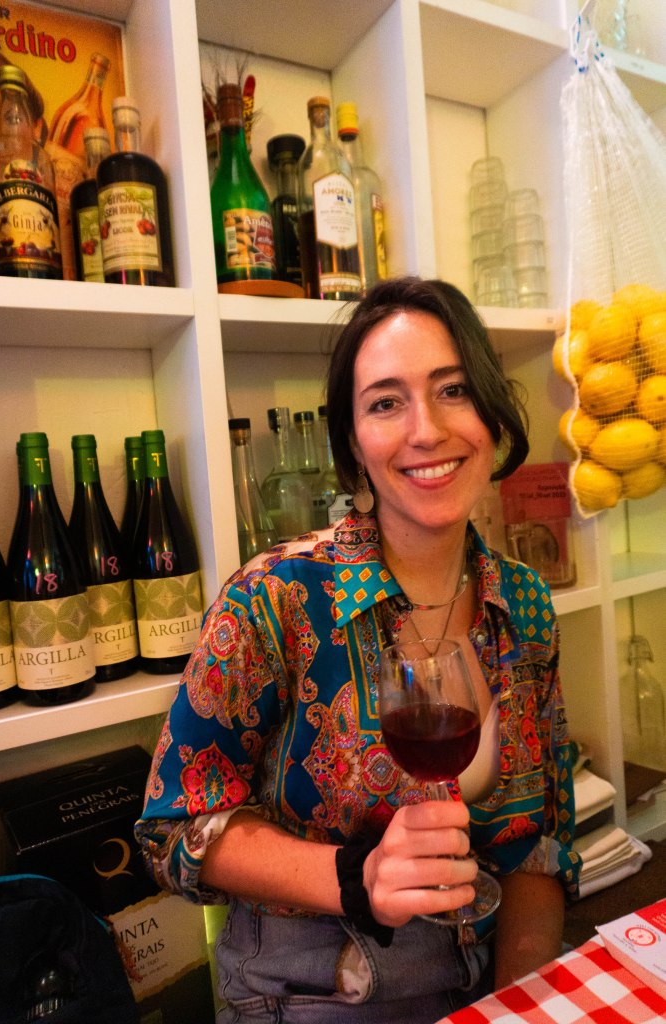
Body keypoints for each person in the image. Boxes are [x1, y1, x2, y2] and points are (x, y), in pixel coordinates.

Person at [135, 276, 581, 1023]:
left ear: (492, 413)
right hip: (312, 989)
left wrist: (513, 1007)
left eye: (452, 390)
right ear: (351, 443)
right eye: (384, 403)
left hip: (488, 972)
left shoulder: (526, 604)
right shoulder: (273, 598)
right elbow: (172, 830)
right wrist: (355, 876)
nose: (425, 431)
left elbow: (540, 848)